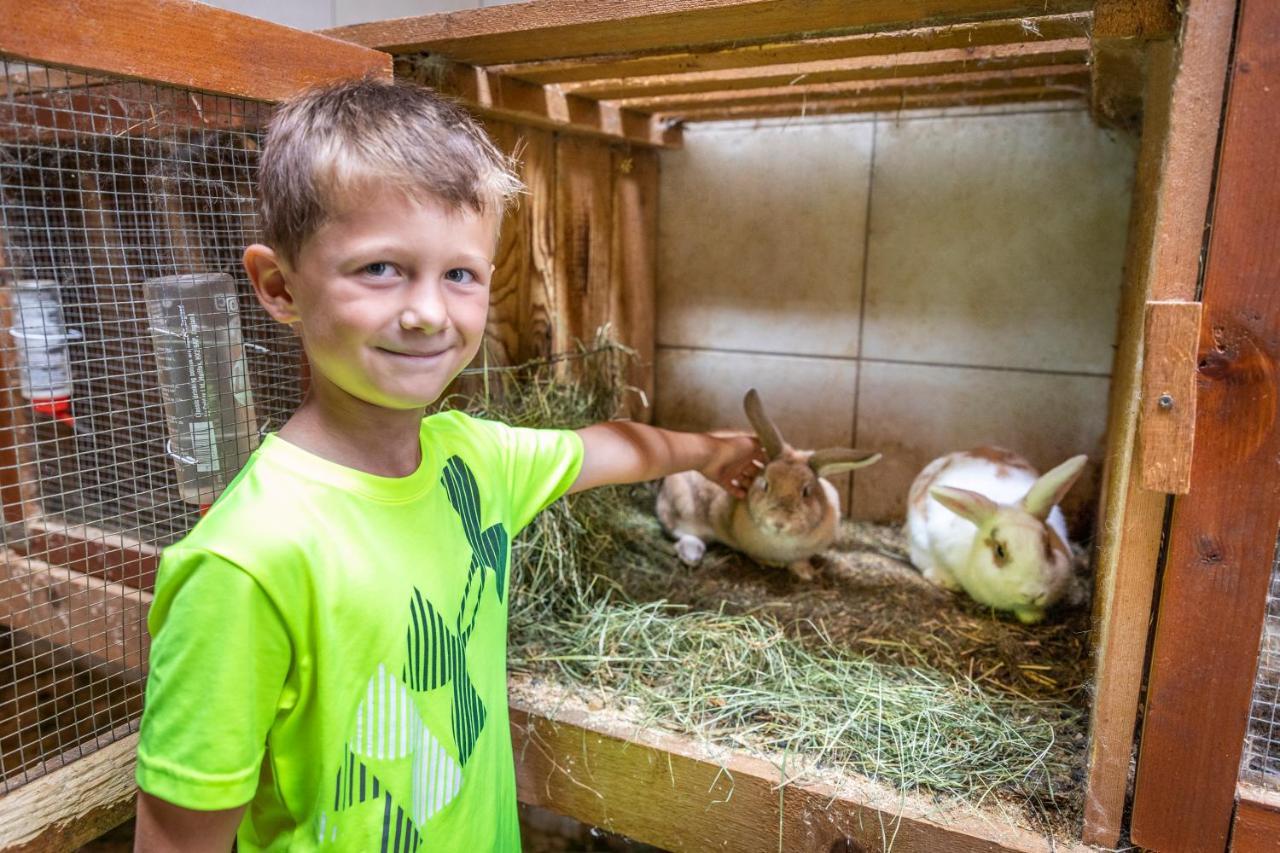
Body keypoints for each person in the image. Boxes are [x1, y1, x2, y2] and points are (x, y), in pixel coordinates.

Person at [132, 77, 762, 852]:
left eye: (459, 274)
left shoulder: (475, 460)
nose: (429, 311)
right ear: (278, 286)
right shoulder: (247, 561)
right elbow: (176, 837)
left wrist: (713, 451)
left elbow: (611, 445)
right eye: (380, 269)